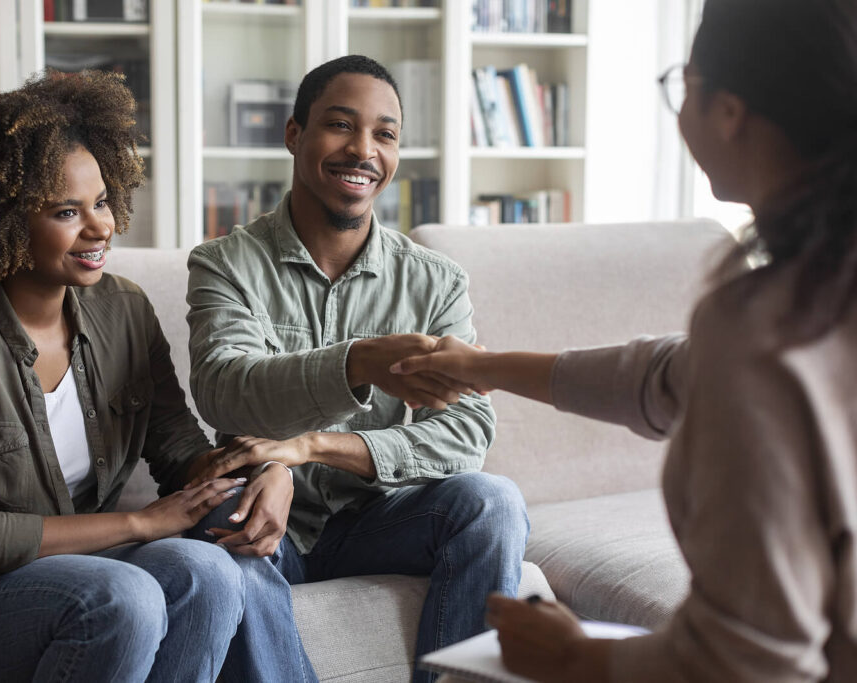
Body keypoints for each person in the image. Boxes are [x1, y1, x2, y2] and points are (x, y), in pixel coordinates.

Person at [391, 0, 857, 680]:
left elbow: (752, 659)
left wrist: (577, 656)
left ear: (728, 110)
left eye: (684, 85)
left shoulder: (765, 326)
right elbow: (663, 377)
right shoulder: (812, 297)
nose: (679, 110)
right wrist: (481, 365)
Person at [0, 71, 246, 683]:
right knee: (121, 597)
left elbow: (178, 448)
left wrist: (259, 471)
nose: (101, 227)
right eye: (66, 211)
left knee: (207, 573)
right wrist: (139, 523)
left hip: (85, 567)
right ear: (1, 221)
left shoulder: (124, 309)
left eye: (102, 202)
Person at [183, 55, 529, 683]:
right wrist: (359, 362)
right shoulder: (225, 264)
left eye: (385, 134)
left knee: (492, 502)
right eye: (341, 126)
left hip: (382, 518)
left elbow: (467, 433)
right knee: (212, 519)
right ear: (295, 135)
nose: (363, 150)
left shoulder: (436, 282)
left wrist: (308, 448)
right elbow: (224, 390)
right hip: (262, 516)